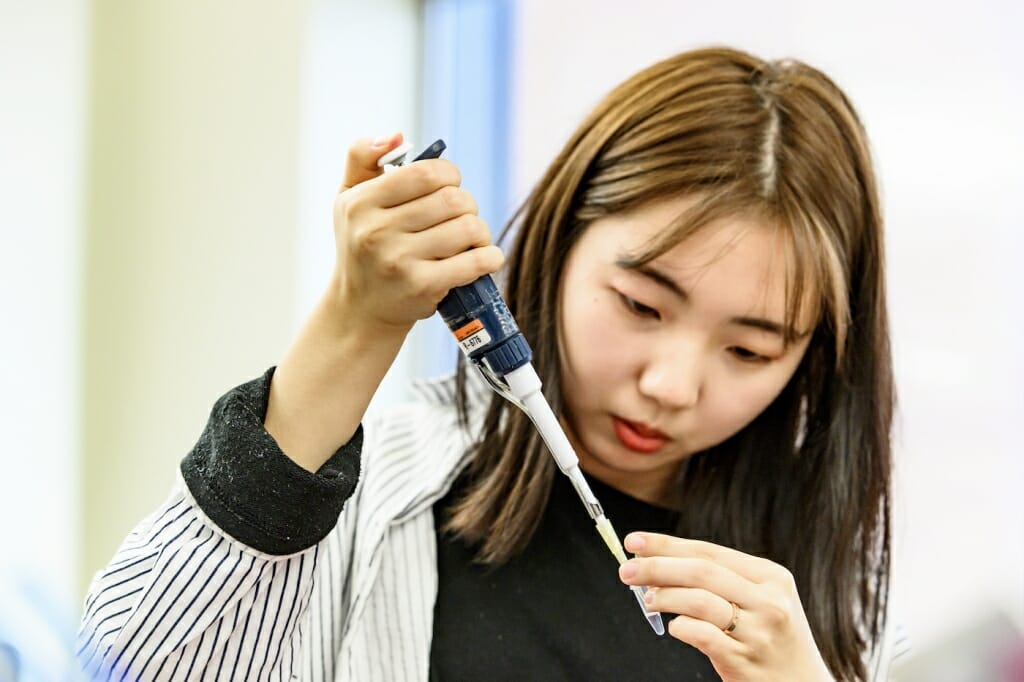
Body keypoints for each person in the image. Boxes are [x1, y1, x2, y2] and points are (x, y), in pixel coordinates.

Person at [76, 46, 902, 681]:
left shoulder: (832, 592)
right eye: (642, 307)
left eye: (751, 350)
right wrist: (353, 325)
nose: (671, 386)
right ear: (560, 240)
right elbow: (125, 662)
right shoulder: (383, 497)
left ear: (817, 360)